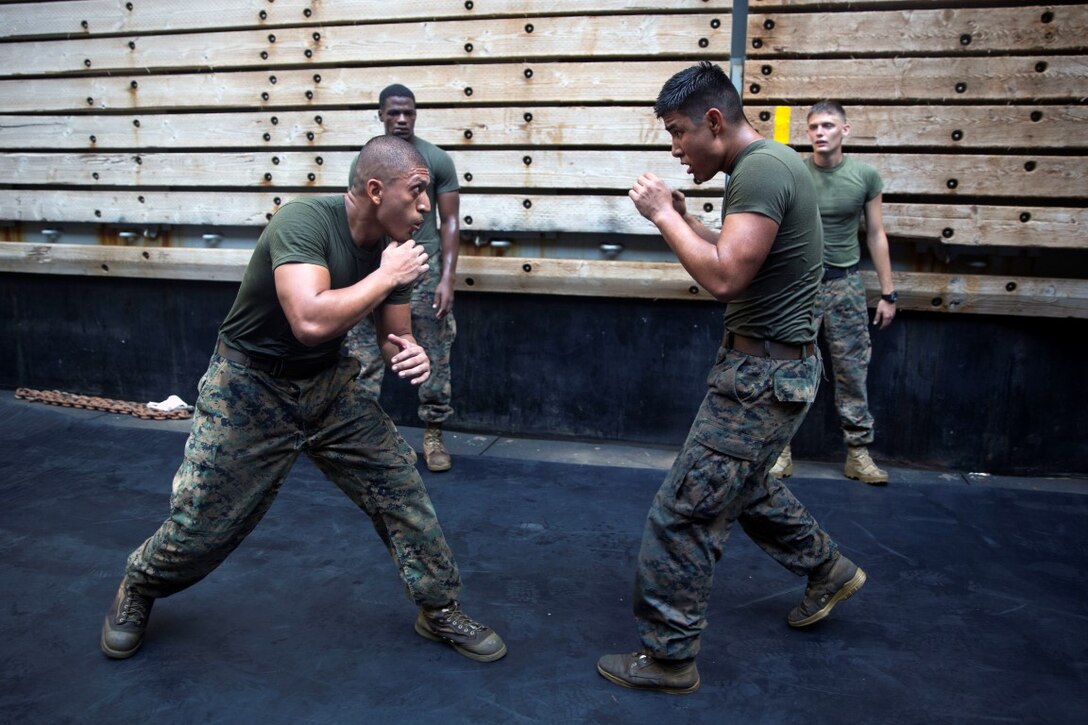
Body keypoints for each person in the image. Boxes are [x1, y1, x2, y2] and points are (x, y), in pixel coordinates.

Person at [100, 135, 505, 664]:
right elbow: (310, 321)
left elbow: (393, 335)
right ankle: (139, 585)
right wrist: (386, 276)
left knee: (400, 491)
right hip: (249, 387)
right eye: (418, 192)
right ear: (377, 190)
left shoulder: (393, 252)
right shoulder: (305, 223)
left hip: (327, 386)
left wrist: (412, 353)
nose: (428, 206)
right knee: (203, 525)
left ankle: (438, 608)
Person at [597, 62, 865, 695]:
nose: (674, 146)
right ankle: (828, 570)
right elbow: (740, 251)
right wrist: (689, 221)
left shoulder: (763, 168)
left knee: (683, 514)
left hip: (761, 379)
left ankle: (669, 659)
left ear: (714, 121)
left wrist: (664, 216)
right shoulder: (763, 167)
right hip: (770, 370)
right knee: (745, 490)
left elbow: (724, 277)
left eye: (677, 131)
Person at [769, 100, 896, 485]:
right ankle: (779, 452)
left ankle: (858, 455)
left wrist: (888, 293)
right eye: (812, 127)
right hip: (799, 286)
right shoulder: (795, 174)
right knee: (788, 368)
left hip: (845, 284)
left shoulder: (865, 177)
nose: (819, 132)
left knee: (852, 371)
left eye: (827, 125)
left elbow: (875, 234)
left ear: (845, 129)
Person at [343, 84, 461, 473]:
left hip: (424, 275)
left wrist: (447, 279)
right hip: (376, 274)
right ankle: (369, 440)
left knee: (433, 356)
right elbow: (357, 218)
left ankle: (433, 434)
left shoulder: (436, 160)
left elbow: (450, 222)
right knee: (363, 360)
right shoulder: (369, 161)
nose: (402, 119)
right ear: (380, 114)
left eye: (408, 112)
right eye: (393, 112)